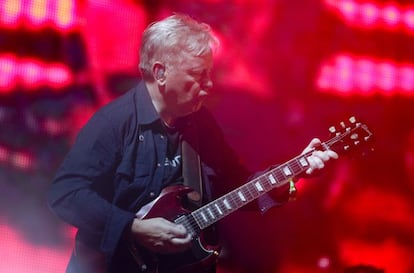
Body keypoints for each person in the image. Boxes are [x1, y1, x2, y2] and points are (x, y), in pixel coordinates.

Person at [48, 13, 338, 273]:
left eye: (209, 74)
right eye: (197, 75)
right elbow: (65, 193)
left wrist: (293, 173)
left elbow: (236, 187)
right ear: (161, 73)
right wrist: (134, 228)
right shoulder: (115, 123)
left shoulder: (202, 124)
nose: (209, 84)